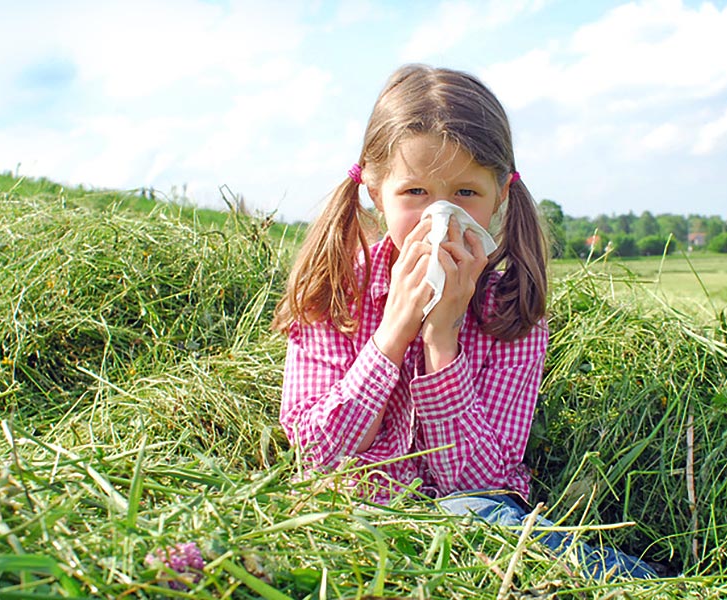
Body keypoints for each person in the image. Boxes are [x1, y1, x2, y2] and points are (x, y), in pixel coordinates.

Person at [272, 64, 655, 581]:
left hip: (476, 516)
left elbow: (478, 480)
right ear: (376, 191)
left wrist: (441, 338)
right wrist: (394, 331)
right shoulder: (333, 294)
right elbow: (318, 454)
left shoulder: (511, 312)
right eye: (415, 194)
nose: (441, 217)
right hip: (355, 514)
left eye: (466, 194)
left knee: (475, 517)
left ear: (500, 195)